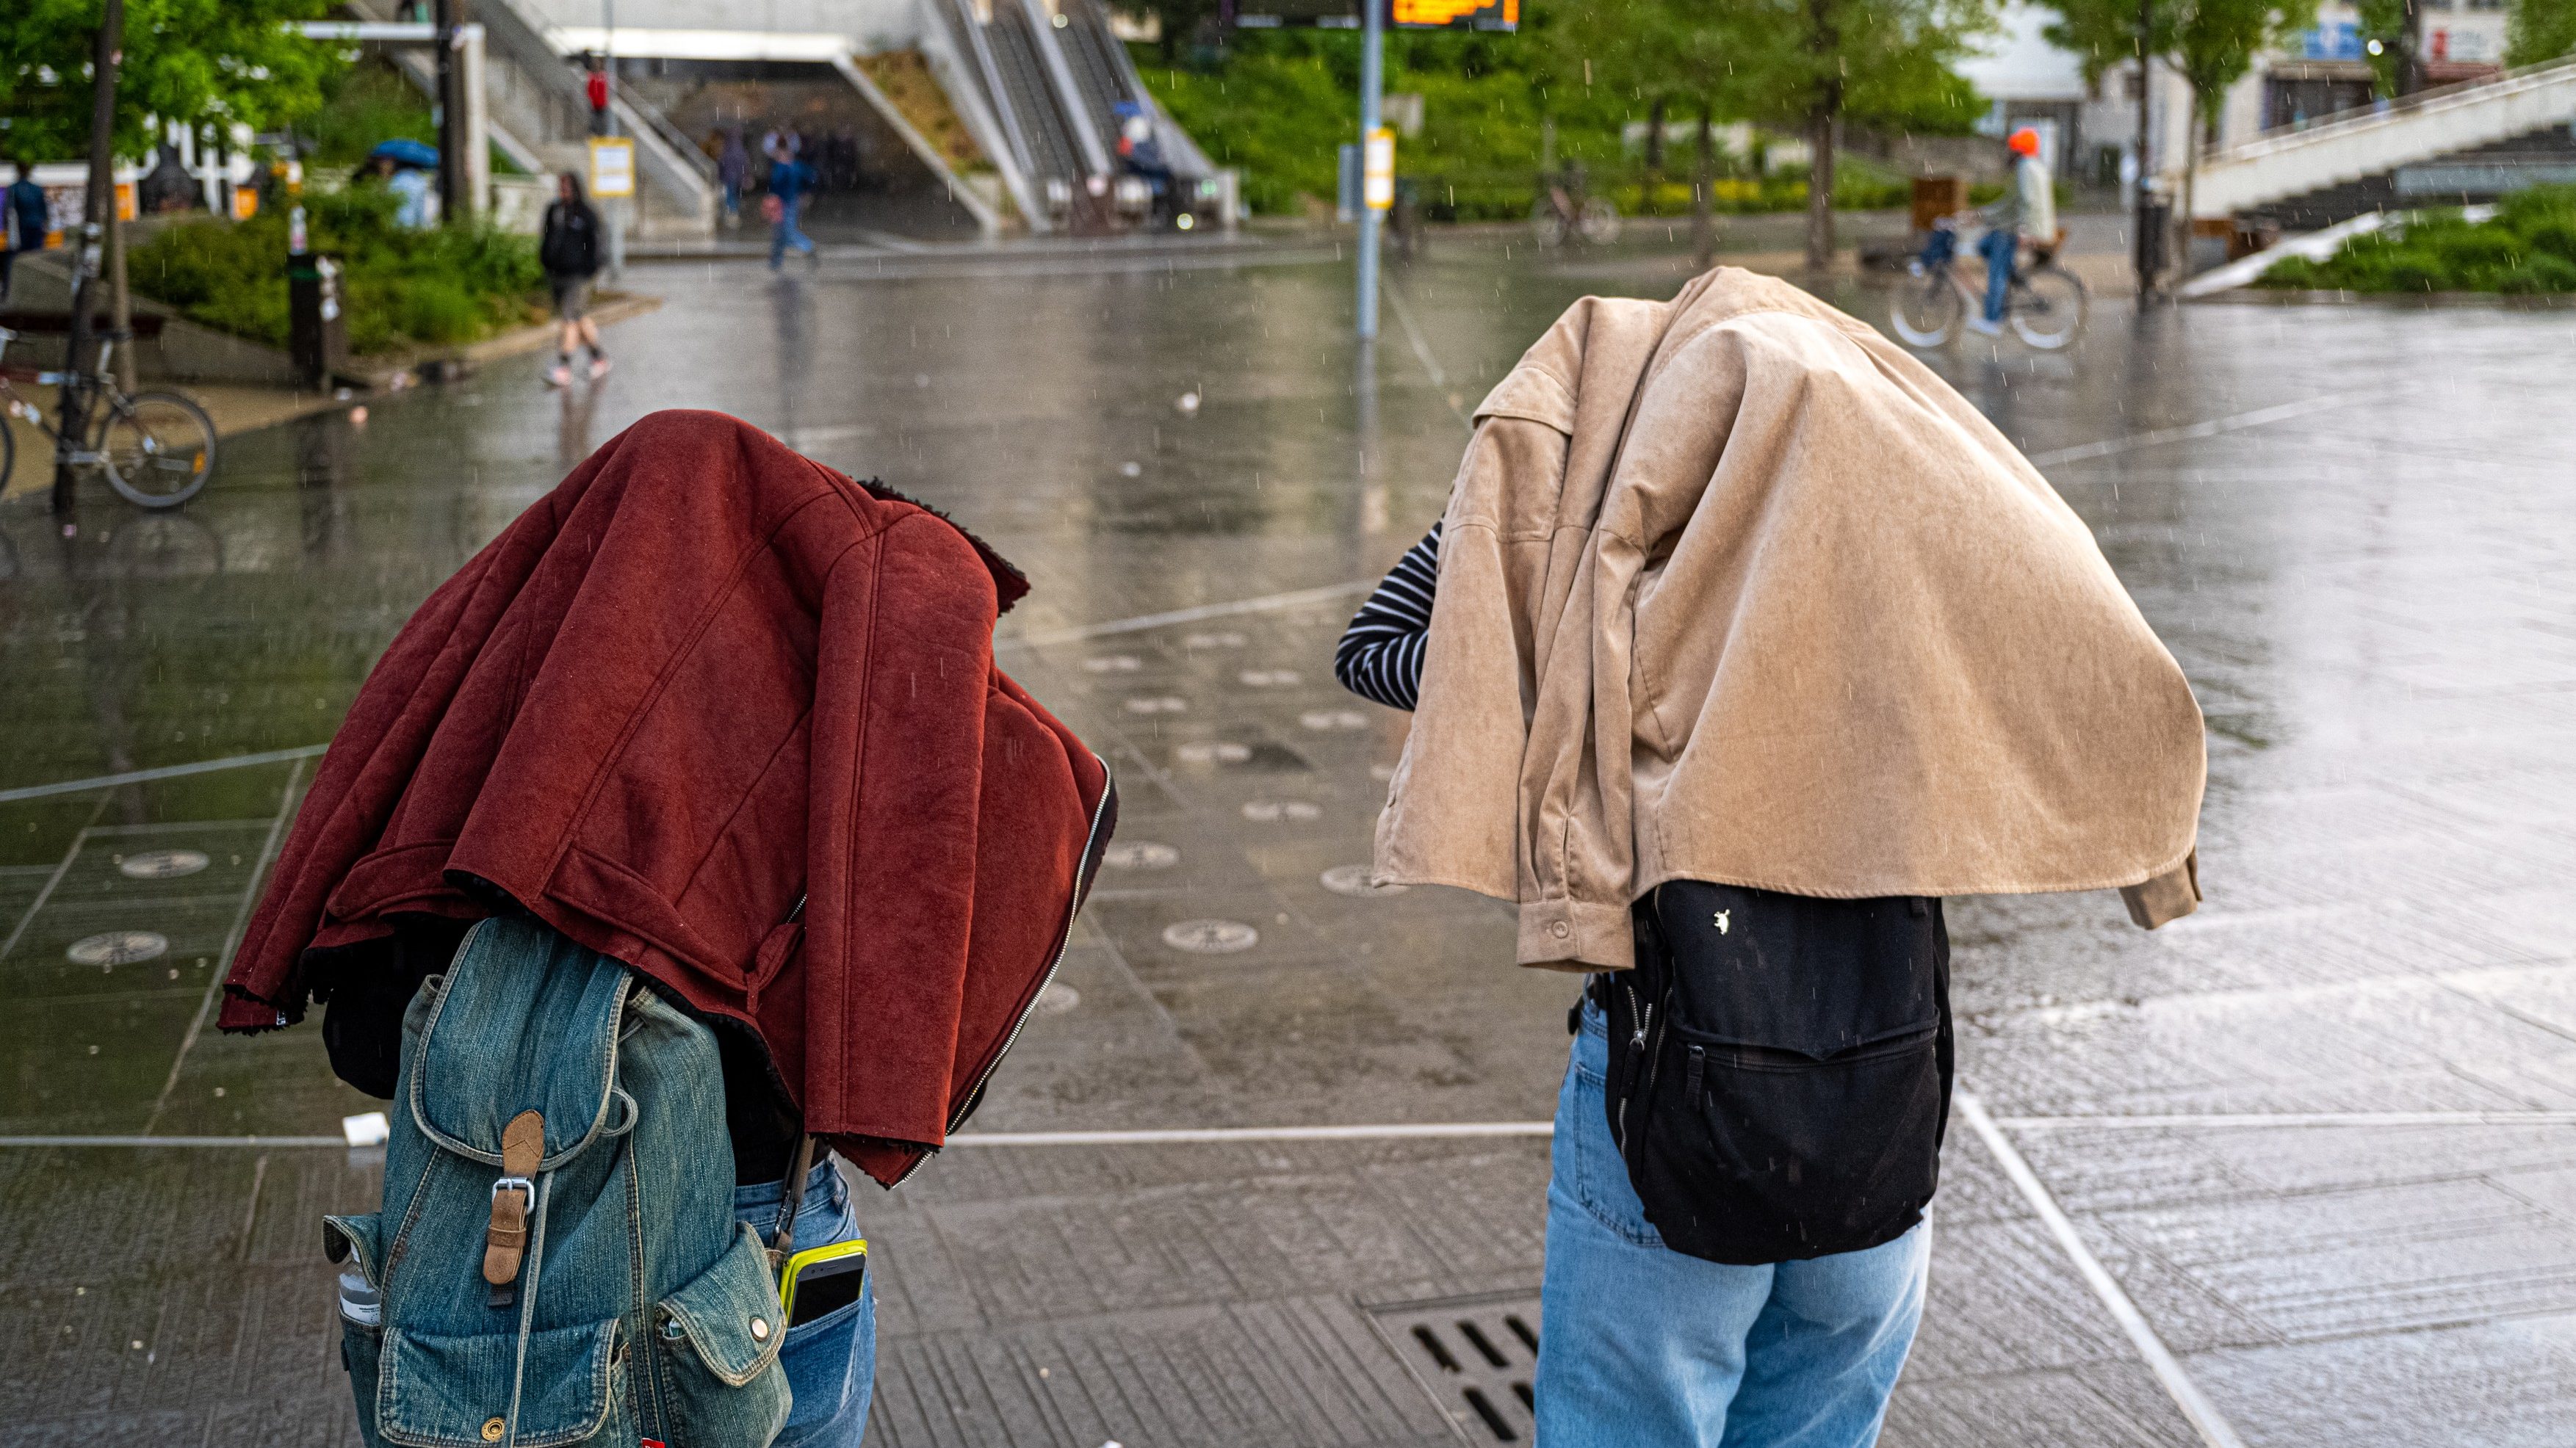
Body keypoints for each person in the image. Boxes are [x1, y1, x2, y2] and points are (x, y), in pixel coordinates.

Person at [1341, 267, 2208, 1447]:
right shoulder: (1904, 493)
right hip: (1881, 1080)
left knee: (1627, 1424)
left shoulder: (1595, 454)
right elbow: (2080, 640)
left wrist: (1591, 691)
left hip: (1672, 1080)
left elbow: (1380, 649)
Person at [218, 411, 1119, 1448]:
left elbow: (366, 1042)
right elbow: (864, 1080)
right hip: (736, 1277)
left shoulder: (491, 760)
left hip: (478, 1276)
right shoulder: (820, 795)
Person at [1971, 126, 2054, 336]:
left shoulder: (2025, 168)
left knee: (1996, 271)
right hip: (2033, 226)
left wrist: (2024, 231)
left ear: (2018, 149)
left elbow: (2027, 201)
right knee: (1984, 246)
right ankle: (2005, 284)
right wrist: (1985, 214)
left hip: (2017, 229)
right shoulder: (2034, 166)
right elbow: (2013, 202)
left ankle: (1992, 320)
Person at [538, 170, 610, 386]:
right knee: (579, 318)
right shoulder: (554, 210)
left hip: (580, 276)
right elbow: (547, 237)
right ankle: (599, 357)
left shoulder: (586, 213)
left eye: (566, 186)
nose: (562, 191)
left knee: (568, 318)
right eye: (560, 186)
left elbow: (597, 242)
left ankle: (563, 366)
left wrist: (592, 267)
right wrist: (546, 262)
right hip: (558, 274)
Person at [3, 161, 51, 303]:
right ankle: (37, 292)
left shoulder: (14, 189)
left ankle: (9, 292)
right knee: (37, 260)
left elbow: (9, 213)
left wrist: (8, 231)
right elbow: (44, 212)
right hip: (36, 228)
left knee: (14, 260)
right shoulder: (37, 189)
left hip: (21, 229)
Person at [768, 141, 818, 270]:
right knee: (780, 232)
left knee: (786, 231)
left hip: (787, 202)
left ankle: (807, 247)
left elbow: (776, 183)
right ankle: (775, 261)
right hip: (785, 202)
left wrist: (805, 193)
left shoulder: (787, 167)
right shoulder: (794, 166)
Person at [718, 126, 751, 226]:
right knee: (734, 195)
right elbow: (745, 164)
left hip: (729, 176)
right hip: (737, 177)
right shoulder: (740, 150)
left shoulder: (727, 150)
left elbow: (722, 164)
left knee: (730, 195)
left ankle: (732, 215)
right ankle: (733, 215)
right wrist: (744, 175)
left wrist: (720, 176)